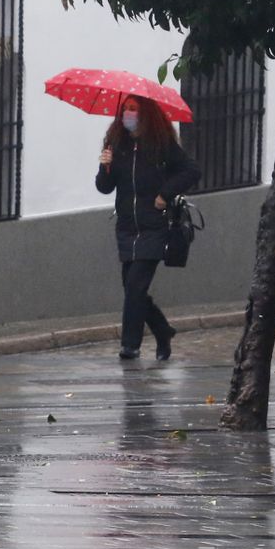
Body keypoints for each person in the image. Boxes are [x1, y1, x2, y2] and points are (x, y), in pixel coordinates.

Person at [95, 95, 200, 361]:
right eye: (125, 109)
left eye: (133, 109)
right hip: (127, 227)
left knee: (135, 286)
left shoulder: (160, 144)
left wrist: (165, 194)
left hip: (154, 225)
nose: (127, 114)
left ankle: (130, 346)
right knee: (132, 288)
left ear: (145, 114)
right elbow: (105, 188)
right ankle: (163, 330)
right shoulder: (116, 144)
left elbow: (190, 171)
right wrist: (105, 167)